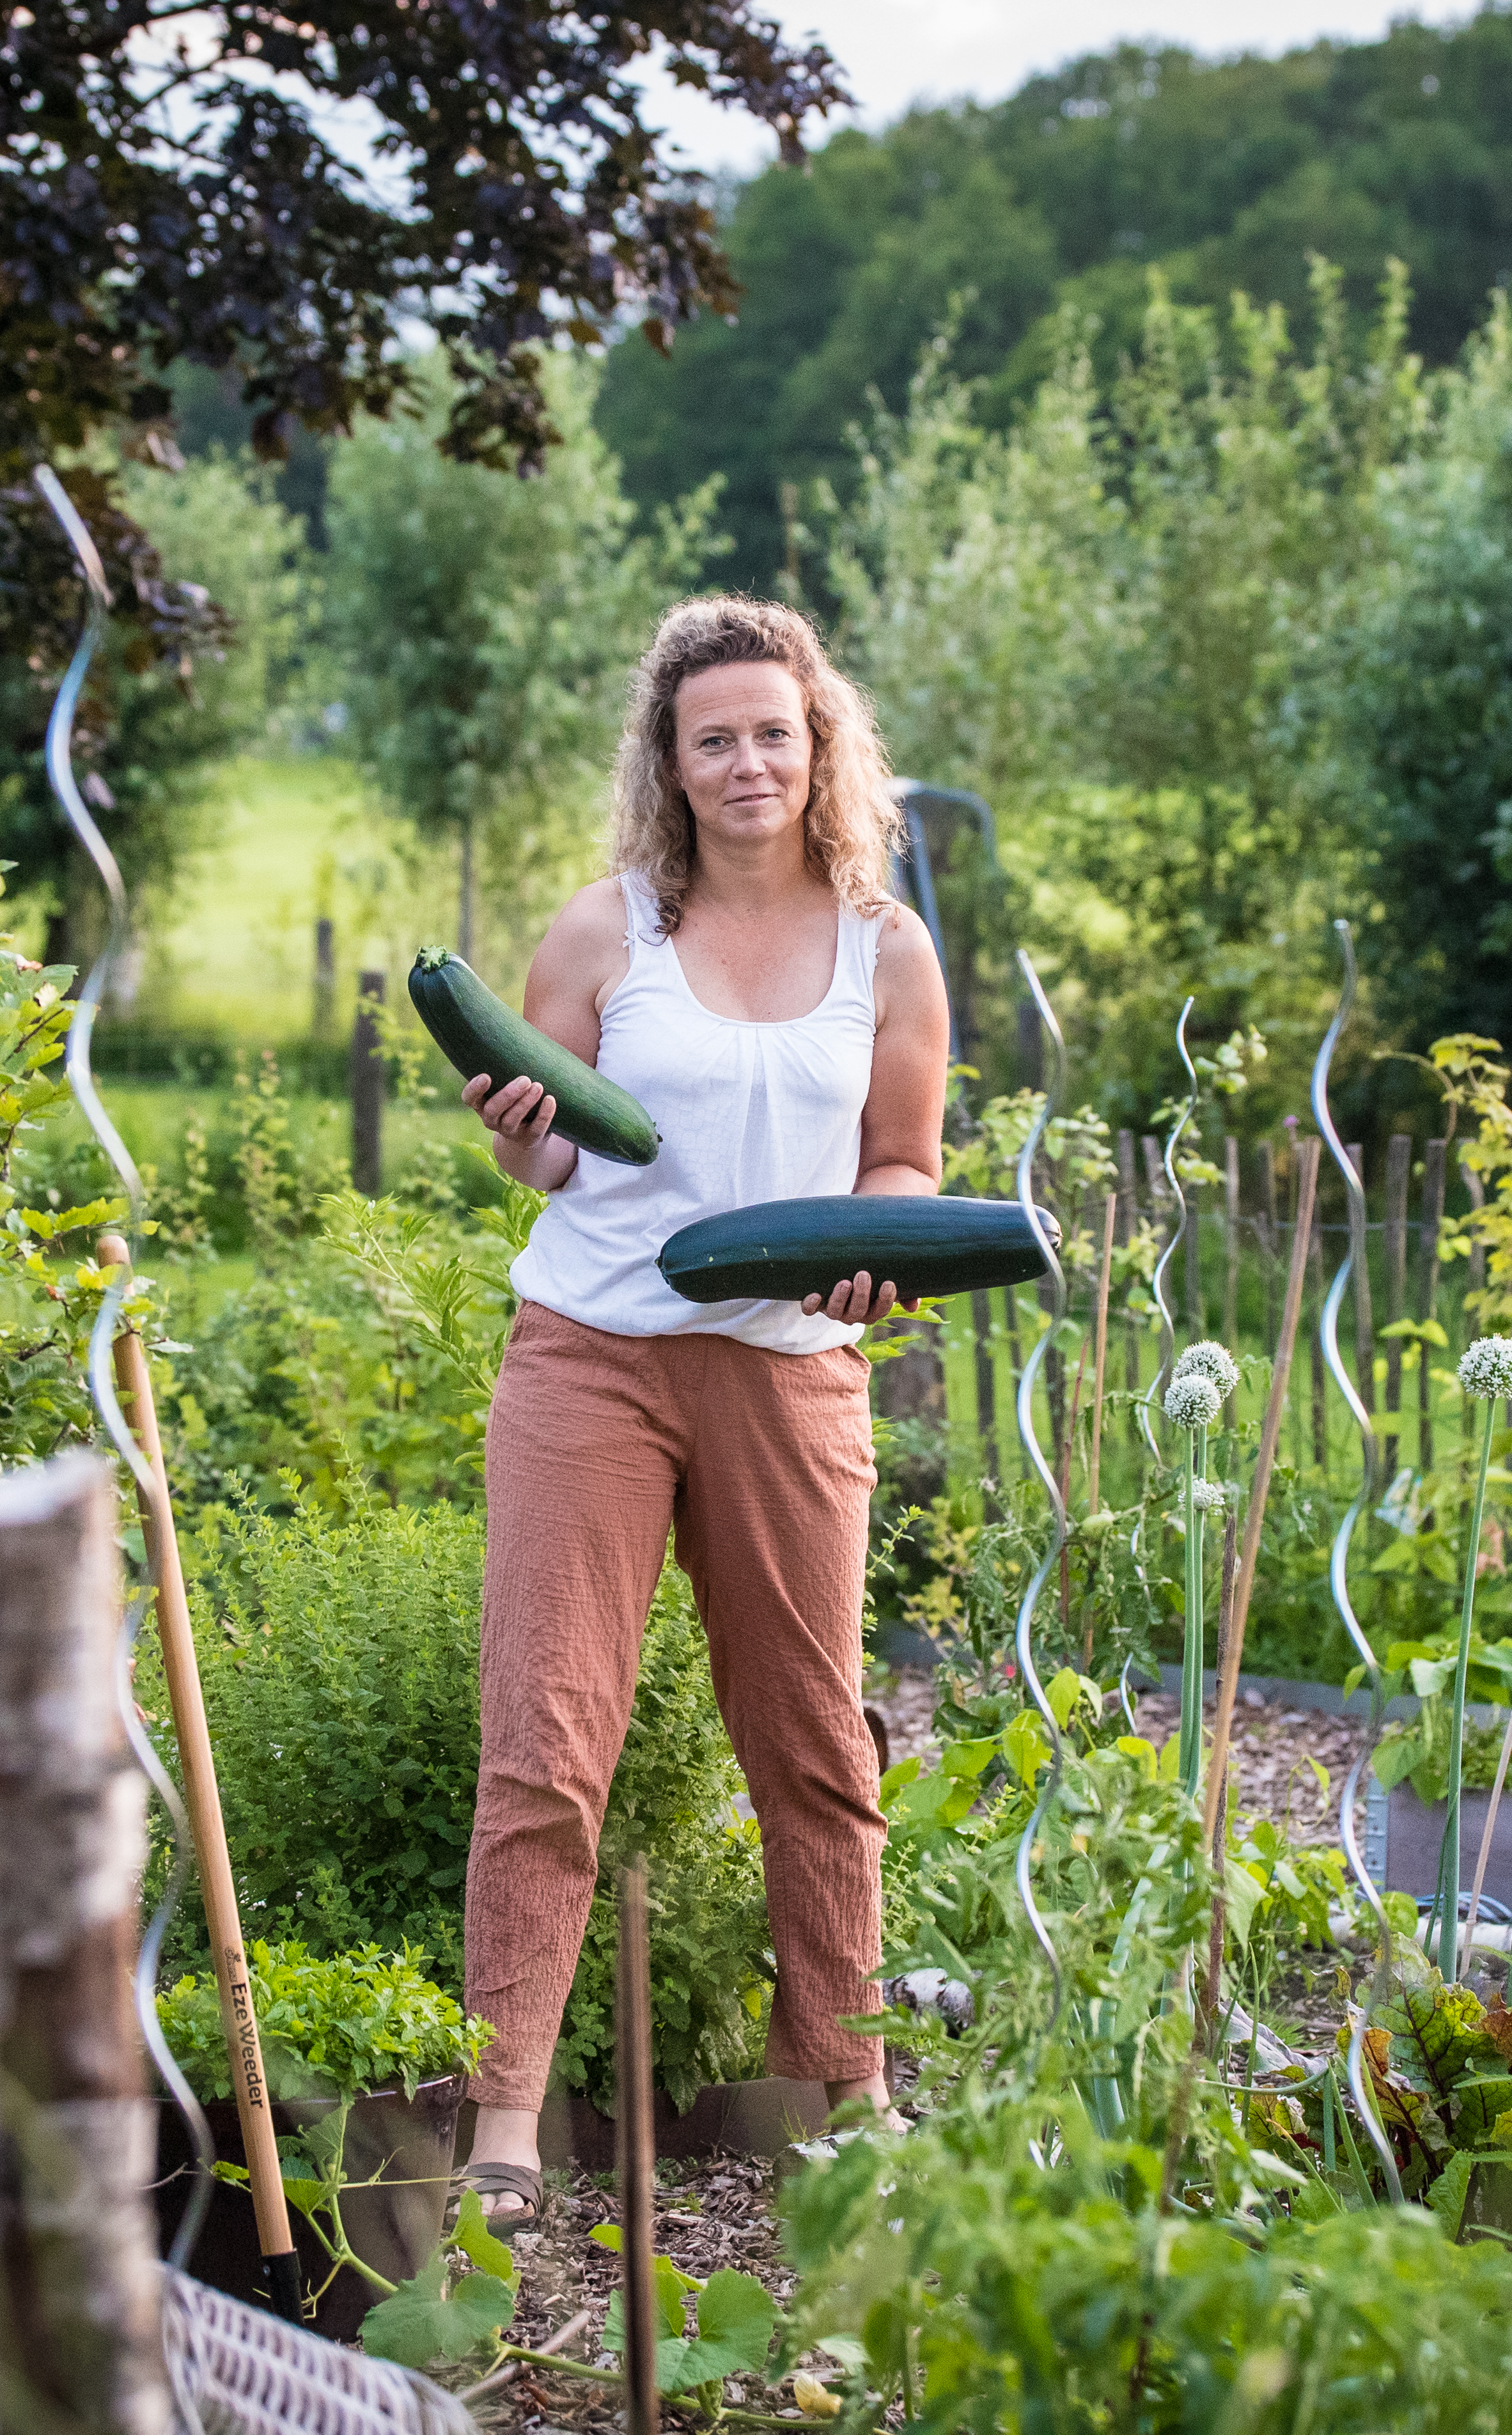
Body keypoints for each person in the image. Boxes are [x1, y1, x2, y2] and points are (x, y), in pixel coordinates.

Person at [450, 596, 947, 2231]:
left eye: (773, 735)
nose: (747, 763)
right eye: (713, 737)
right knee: (546, 1745)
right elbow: (543, 1150)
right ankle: (504, 2119)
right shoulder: (604, 935)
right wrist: (518, 1127)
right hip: (590, 1354)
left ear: (821, 752)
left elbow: (902, 1162)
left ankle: (849, 2087)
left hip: (792, 1367)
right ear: (670, 760)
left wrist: (877, 1251)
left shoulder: (886, 946)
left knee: (814, 1744)